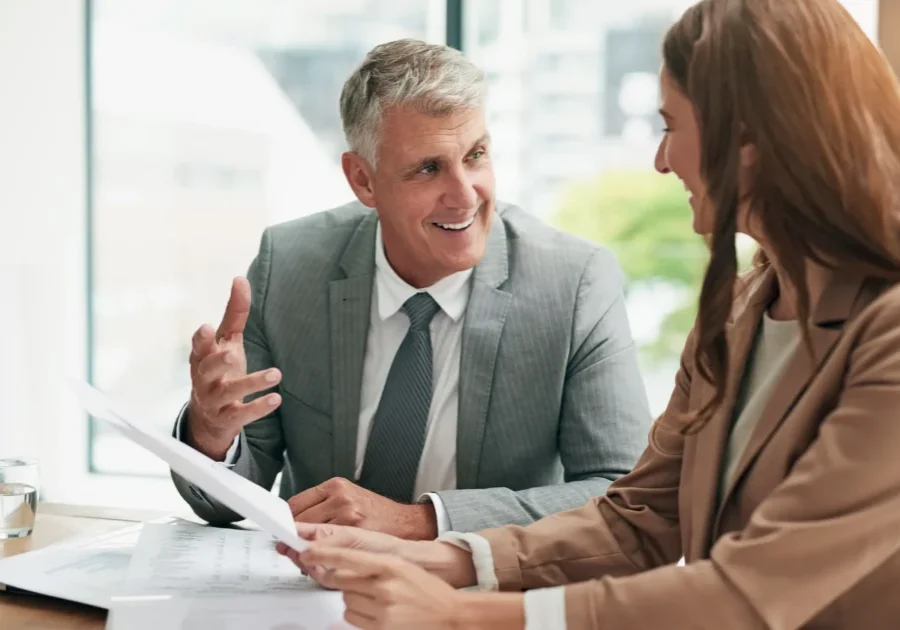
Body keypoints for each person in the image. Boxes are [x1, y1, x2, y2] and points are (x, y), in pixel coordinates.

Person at [276, 1, 900, 628]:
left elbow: (751, 592)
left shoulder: (890, 331)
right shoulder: (740, 312)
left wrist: (465, 617)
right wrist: (436, 557)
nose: (662, 160)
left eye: (670, 124)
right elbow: (637, 521)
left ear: (747, 141)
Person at [172, 38, 652, 540]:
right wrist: (210, 432)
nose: (465, 196)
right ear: (363, 180)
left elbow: (625, 496)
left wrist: (421, 521)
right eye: (429, 168)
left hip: (479, 600)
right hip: (316, 594)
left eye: (476, 155)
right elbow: (231, 499)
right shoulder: (289, 265)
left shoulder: (575, 284)